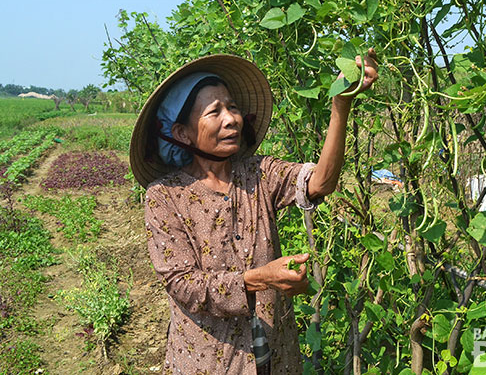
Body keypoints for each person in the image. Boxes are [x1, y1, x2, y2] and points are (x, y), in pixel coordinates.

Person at [129, 51, 378, 374]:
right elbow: (184, 285)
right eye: (214, 111)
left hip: (274, 352)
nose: (231, 118)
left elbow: (320, 182)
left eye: (232, 107)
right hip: (209, 361)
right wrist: (260, 279)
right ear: (182, 133)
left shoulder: (259, 174)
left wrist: (340, 105)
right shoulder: (165, 196)